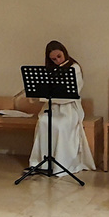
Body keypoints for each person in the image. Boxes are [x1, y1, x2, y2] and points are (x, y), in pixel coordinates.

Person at [28, 41, 96, 175]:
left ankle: (61, 164)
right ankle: (42, 163)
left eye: (59, 56)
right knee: (43, 122)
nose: (58, 61)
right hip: (52, 107)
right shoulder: (50, 69)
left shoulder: (74, 68)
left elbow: (70, 95)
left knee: (60, 125)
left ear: (64, 52)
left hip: (69, 108)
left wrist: (43, 98)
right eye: (54, 59)